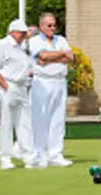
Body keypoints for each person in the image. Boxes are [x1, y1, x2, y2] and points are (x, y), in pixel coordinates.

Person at [25, 13, 73, 168]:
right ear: (41, 26)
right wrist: (59, 54)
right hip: (42, 82)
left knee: (58, 120)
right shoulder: (34, 41)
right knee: (40, 119)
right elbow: (43, 56)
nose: (52, 28)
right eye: (49, 25)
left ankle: (56, 154)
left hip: (60, 82)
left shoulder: (61, 40)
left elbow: (69, 57)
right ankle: (39, 154)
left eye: (54, 25)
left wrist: (50, 57)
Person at [0, 19, 34, 170]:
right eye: (21, 33)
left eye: (24, 33)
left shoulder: (22, 48)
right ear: (13, 32)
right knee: (7, 123)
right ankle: (5, 158)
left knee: (24, 123)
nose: (23, 36)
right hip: (8, 86)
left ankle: (28, 156)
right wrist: (6, 86)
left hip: (22, 87)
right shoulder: (2, 45)